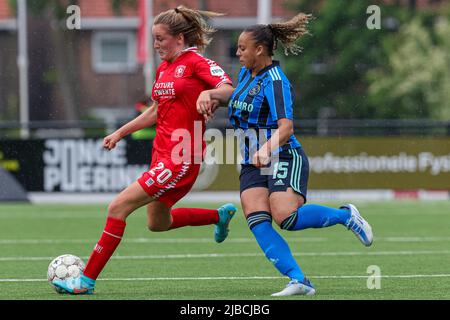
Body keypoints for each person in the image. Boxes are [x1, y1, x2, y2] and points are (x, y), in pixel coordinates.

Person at [53, 5, 237, 295]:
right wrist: (120, 132)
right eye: (154, 38)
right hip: (161, 155)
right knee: (157, 223)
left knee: (117, 207)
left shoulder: (196, 62)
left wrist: (209, 93)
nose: (155, 45)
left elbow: (228, 90)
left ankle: (84, 282)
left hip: (181, 157)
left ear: (179, 38)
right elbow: (156, 111)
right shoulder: (164, 69)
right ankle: (218, 216)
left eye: (160, 38)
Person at [196, 13, 373, 296]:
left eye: (242, 48)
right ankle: (299, 279)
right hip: (251, 160)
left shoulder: (276, 81)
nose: (237, 52)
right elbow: (234, 96)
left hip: (283, 155)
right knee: (256, 219)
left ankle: (346, 216)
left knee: (285, 217)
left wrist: (266, 149)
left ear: (260, 50)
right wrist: (210, 95)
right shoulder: (246, 73)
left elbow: (286, 127)